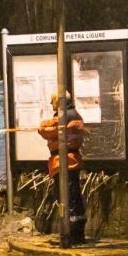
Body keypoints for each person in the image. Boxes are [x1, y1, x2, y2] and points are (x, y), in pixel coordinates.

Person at [37, 92, 87, 244]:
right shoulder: (72, 115)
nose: (51, 104)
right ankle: (76, 234)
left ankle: (71, 234)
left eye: (53, 101)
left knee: (68, 198)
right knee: (73, 198)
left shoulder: (67, 116)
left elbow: (45, 129)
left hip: (65, 162)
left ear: (59, 102)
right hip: (68, 161)